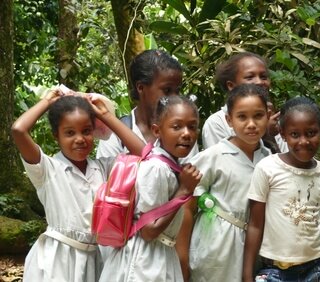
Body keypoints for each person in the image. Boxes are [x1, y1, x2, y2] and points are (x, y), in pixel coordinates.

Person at [11, 91, 144, 281]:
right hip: (57, 261)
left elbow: (143, 154)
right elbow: (18, 130)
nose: (80, 138)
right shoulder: (47, 169)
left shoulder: (103, 168)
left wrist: (105, 116)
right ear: (56, 135)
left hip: (94, 259)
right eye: (70, 132)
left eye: (87, 131)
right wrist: (48, 101)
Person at [99, 95, 202, 282]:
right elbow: (148, 231)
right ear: (157, 130)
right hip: (144, 262)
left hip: (159, 255)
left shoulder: (169, 165)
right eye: (177, 126)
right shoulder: (157, 168)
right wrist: (184, 192)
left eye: (192, 127)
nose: (187, 133)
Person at [178, 84, 271, 281]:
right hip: (216, 244)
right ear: (229, 119)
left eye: (258, 116)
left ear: (268, 115)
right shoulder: (214, 155)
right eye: (242, 117)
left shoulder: (269, 158)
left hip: (255, 243)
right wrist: (183, 256)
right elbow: (188, 204)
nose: (251, 124)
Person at [243, 96, 320, 282]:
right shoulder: (267, 168)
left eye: (311, 133)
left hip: (316, 265)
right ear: (283, 133)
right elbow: (255, 225)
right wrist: (247, 275)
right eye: (295, 134)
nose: (304, 141)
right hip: (275, 268)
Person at [96, 49, 198, 162]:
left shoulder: (183, 132)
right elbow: (110, 176)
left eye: (177, 91)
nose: (174, 98)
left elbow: (190, 170)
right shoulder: (115, 135)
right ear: (141, 88)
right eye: (167, 90)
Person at [201, 52, 286, 152]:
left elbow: (286, 162)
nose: (259, 82)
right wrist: (265, 133)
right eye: (250, 77)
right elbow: (222, 162)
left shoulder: (275, 119)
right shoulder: (216, 123)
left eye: (263, 77)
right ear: (231, 85)